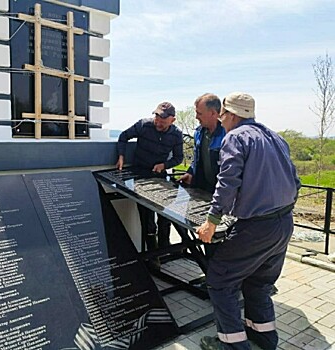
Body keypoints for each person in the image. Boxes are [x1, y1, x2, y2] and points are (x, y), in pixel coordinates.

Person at [197, 92, 301, 350]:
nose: (221, 121)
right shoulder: (275, 137)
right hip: (284, 223)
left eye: (222, 116)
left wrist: (212, 221)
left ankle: (232, 345)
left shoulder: (236, 137)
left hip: (257, 227)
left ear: (231, 115)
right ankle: (264, 339)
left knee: (220, 280)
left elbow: (227, 181)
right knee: (258, 283)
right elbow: (295, 181)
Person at [116, 102, 183, 264]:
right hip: (139, 175)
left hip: (159, 176)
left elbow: (178, 158)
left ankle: (164, 251)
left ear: (172, 120)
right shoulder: (143, 125)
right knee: (147, 219)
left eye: (163, 120)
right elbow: (123, 136)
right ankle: (153, 258)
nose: (158, 122)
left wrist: (164, 165)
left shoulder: (176, 134)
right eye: (157, 117)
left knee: (165, 215)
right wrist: (121, 156)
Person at [157, 93, 226, 249]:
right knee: (202, 233)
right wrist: (190, 172)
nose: (196, 117)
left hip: (221, 194)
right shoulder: (199, 132)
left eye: (199, 113)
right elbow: (197, 158)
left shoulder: (227, 135)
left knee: (218, 238)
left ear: (214, 113)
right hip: (202, 190)